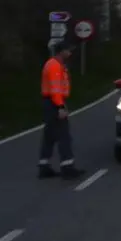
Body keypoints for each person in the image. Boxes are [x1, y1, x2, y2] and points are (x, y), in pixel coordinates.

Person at [38, 41, 85, 180]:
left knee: (49, 135)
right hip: (54, 102)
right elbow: (55, 89)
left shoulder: (55, 65)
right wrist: (60, 106)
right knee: (64, 135)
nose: (70, 53)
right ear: (61, 51)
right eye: (68, 50)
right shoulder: (54, 66)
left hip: (50, 101)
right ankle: (67, 166)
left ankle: (44, 165)